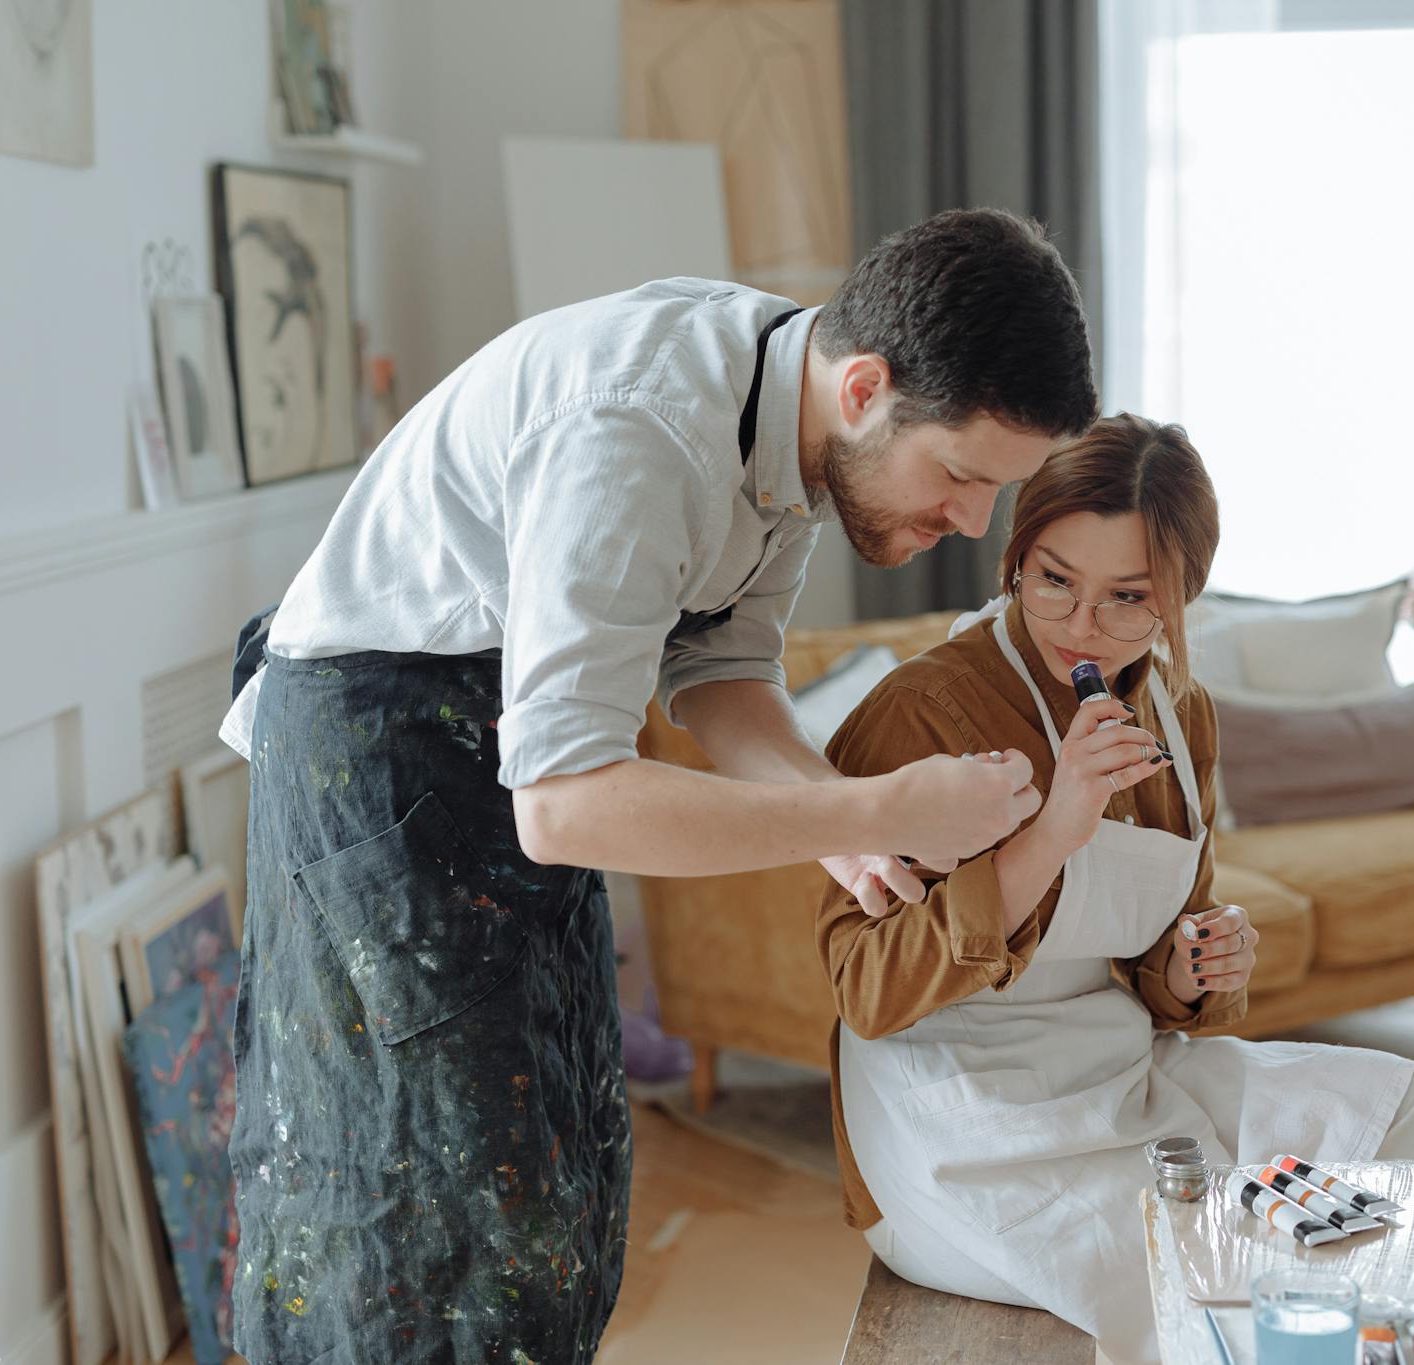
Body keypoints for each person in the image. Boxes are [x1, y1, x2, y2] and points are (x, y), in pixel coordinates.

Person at [218, 209, 1096, 1364]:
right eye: (960, 476)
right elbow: (565, 805)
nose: (966, 523)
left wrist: (851, 844)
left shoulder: (793, 427)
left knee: (563, 1171)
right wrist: (876, 807)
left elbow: (721, 673)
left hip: (511, 754)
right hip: (381, 760)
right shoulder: (634, 429)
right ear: (865, 387)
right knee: (432, 1215)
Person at [817, 415, 1414, 1365]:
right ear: (1015, 558)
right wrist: (1052, 829)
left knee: (1400, 1107)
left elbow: (1160, 964)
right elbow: (864, 991)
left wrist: (1198, 963)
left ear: (1182, 597)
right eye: (1054, 580)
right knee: (1203, 1269)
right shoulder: (921, 710)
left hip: (1115, 1072)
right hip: (955, 1118)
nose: (1081, 625)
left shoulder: (1179, 711)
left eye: (1128, 598)